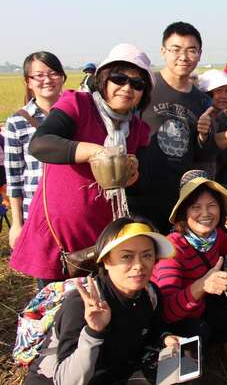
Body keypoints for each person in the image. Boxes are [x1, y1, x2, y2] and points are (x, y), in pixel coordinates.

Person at [11, 43, 152, 286]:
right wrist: (97, 153)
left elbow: (141, 186)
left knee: (98, 305)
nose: (127, 88)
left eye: (137, 84)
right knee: (55, 306)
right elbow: (41, 144)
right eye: (119, 79)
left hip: (103, 240)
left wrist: (134, 175)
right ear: (104, 79)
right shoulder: (78, 104)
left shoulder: (137, 129)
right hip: (59, 239)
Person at [25, 217, 178, 385]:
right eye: (127, 256)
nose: (139, 265)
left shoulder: (150, 294)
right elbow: (67, 381)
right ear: (106, 261)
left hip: (113, 373)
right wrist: (94, 332)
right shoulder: (82, 304)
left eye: (147, 255)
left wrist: (165, 338)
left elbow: (152, 327)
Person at [152, 170, 227, 347]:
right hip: (177, 318)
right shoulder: (172, 250)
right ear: (184, 213)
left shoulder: (214, 235)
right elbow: (167, 311)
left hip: (201, 305)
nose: (205, 213)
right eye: (195, 207)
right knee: (200, 333)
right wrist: (201, 285)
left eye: (211, 205)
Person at [128, 22, 219, 234]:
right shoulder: (144, 87)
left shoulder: (202, 101)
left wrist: (204, 135)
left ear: (200, 54)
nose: (183, 57)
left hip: (178, 198)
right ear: (163, 51)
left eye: (191, 50)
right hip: (139, 195)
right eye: (176, 49)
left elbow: (204, 154)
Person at [4, 51, 66, 249]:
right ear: (28, 81)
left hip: (71, 212)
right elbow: (14, 178)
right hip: (36, 214)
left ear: (62, 77)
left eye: (53, 73)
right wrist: (16, 224)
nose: (47, 80)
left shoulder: (78, 114)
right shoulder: (17, 122)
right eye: (39, 75)